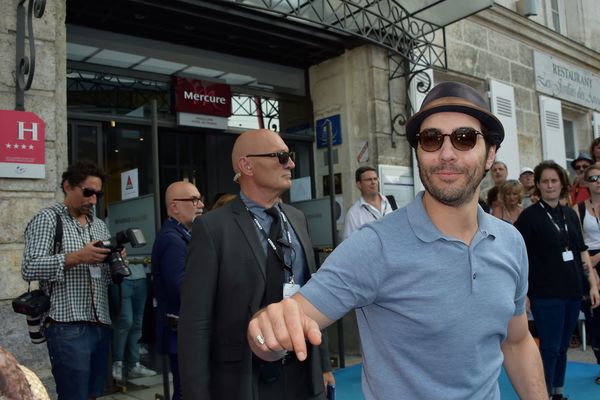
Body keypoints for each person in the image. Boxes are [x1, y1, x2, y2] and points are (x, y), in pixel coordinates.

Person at [247, 82, 546, 399]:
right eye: (431, 139)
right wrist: (266, 333)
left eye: (464, 138)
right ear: (418, 151)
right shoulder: (375, 246)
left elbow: (517, 341)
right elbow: (287, 322)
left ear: (490, 155)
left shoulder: (511, 241)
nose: (446, 154)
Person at [178, 129, 334, 400]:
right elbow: (195, 323)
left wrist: (323, 364)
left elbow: (312, 296)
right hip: (244, 377)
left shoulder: (297, 218)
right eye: (281, 157)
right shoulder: (213, 228)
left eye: (290, 156)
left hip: (302, 368)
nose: (291, 164)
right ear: (246, 165)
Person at [21, 160, 116, 400]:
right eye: (88, 192)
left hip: (100, 321)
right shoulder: (48, 219)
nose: (93, 200)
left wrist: (115, 261)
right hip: (66, 324)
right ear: (67, 186)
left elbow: (105, 277)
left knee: (94, 394)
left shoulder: (100, 226)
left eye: (98, 194)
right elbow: (29, 267)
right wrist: (76, 257)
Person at [514, 160, 600, 399]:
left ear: (562, 183)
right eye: (545, 181)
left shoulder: (569, 214)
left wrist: (593, 284)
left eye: (554, 180)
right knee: (549, 349)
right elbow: (518, 257)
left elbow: (582, 250)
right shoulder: (529, 217)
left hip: (573, 291)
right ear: (538, 186)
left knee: (562, 348)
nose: (550, 185)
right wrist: (525, 293)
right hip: (545, 294)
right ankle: (543, 394)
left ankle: (558, 391)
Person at [151, 181, 204, 400]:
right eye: (194, 200)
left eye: (200, 198)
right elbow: (181, 288)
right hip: (181, 332)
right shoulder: (172, 239)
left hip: (184, 332)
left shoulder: (182, 234)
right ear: (174, 207)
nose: (200, 204)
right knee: (186, 391)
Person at [572, 163, 600, 383]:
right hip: (587, 262)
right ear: (585, 183)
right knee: (595, 317)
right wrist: (590, 268)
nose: (598, 181)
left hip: (595, 258)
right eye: (592, 178)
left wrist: (595, 259)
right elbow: (578, 242)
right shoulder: (578, 208)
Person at [343, 166, 393, 239]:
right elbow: (349, 245)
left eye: (375, 179)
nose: (373, 182)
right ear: (359, 184)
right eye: (369, 180)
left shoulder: (391, 202)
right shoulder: (353, 214)